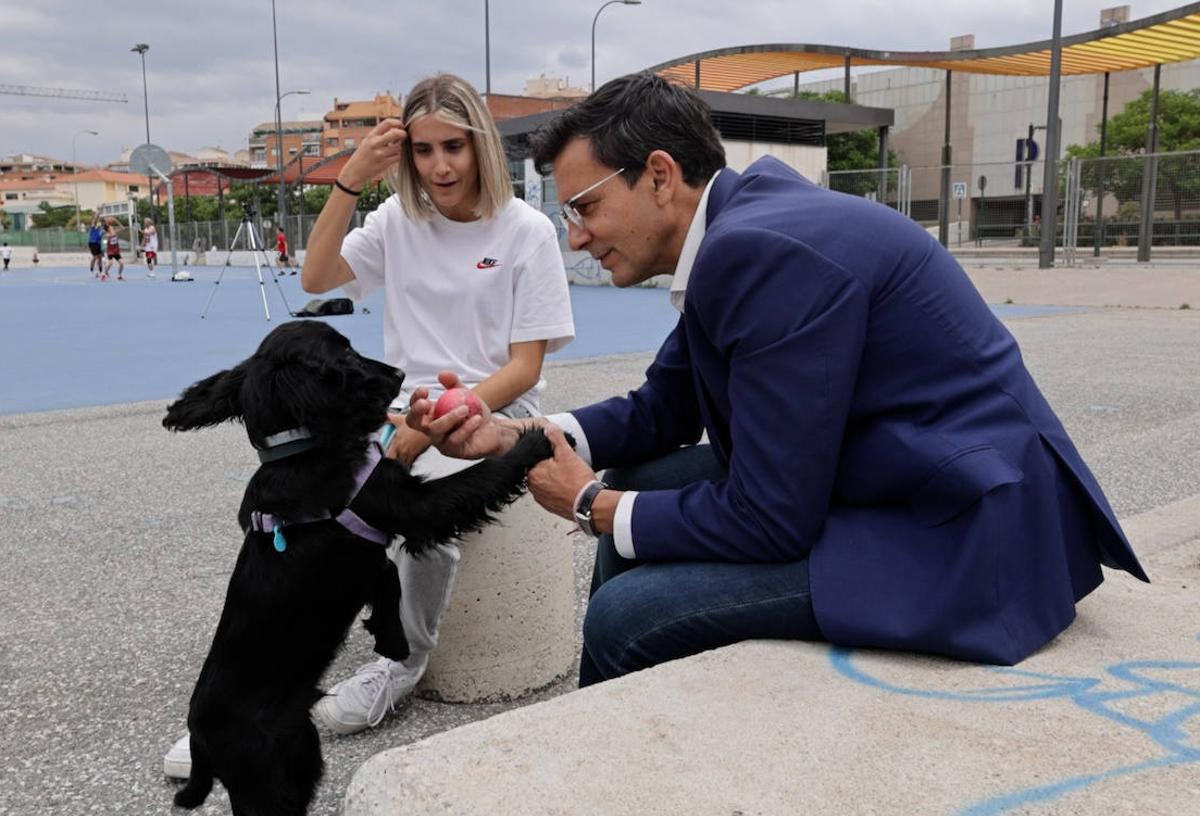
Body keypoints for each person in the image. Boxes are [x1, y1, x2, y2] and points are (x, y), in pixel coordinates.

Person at [408, 72, 1148, 689]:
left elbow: (772, 519)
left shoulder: (758, 252)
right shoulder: (740, 229)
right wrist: (514, 437)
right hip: (900, 478)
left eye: (585, 206)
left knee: (625, 615)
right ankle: (638, 727)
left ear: (660, 176)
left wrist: (591, 504)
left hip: (963, 535)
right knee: (647, 480)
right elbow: (665, 407)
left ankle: (610, 768)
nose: (575, 235)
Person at [162, 72, 575, 778]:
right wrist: (350, 180)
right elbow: (316, 280)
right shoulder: (395, 222)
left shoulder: (525, 231)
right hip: (395, 409)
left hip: (491, 407)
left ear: (479, 145)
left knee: (422, 529)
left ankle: (398, 666)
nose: (440, 165)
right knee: (287, 519)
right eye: (423, 150)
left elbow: (524, 365)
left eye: (455, 146)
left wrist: (446, 417)